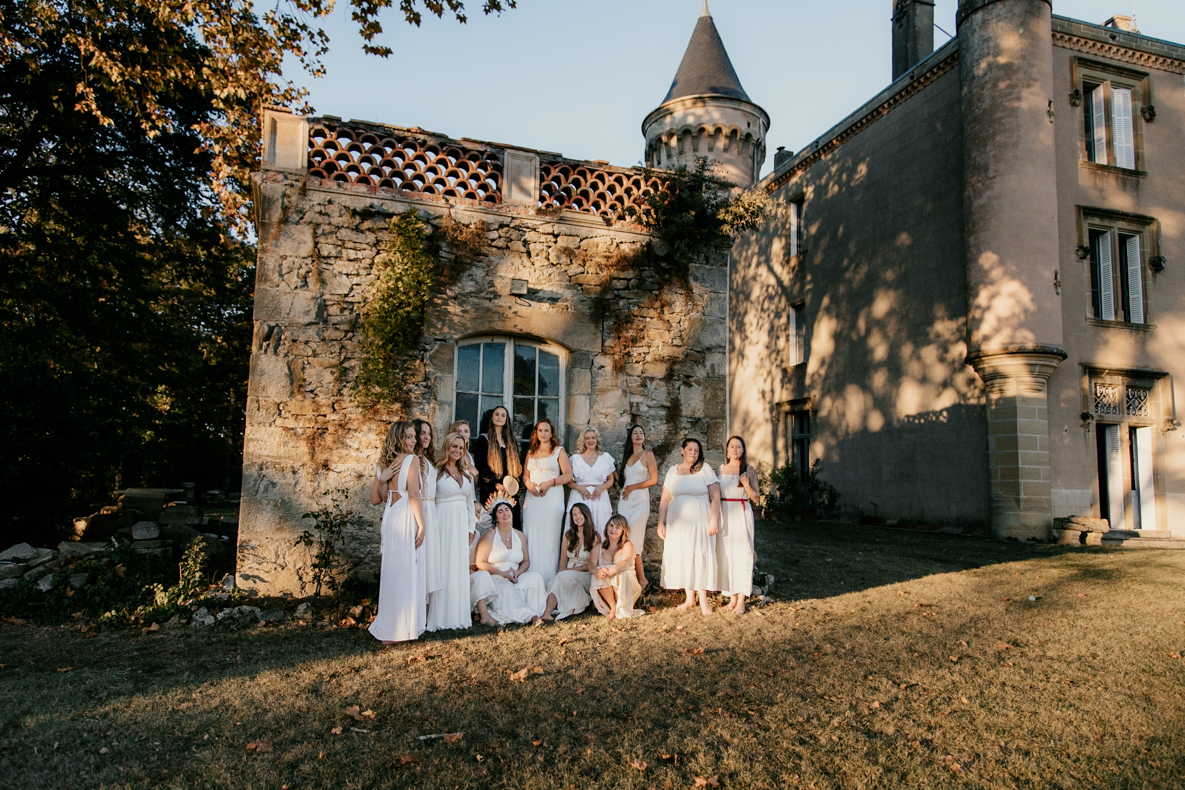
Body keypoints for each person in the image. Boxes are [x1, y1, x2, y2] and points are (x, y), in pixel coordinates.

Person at [368, 421, 427, 643]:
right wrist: (422, 524)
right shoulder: (411, 460)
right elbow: (414, 494)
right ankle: (399, 630)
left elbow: (376, 499)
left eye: (414, 437)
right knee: (405, 569)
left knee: (393, 570)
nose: (414, 441)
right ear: (399, 439)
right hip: (405, 515)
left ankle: (392, 628)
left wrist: (381, 477)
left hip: (391, 514)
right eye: (410, 437)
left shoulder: (384, 463)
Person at [656, 437, 722, 616]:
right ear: (682, 450)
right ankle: (689, 599)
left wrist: (713, 519)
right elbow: (665, 499)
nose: (693, 453)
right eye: (690, 449)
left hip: (700, 521)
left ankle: (704, 602)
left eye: (697, 450)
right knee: (683, 555)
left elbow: (715, 496)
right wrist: (660, 522)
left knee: (699, 554)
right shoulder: (672, 471)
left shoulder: (705, 469)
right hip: (678, 523)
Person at [427, 432, 478, 631]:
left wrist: (470, 528)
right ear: (447, 447)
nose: (457, 451)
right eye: (454, 447)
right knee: (443, 566)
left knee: (458, 567)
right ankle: (440, 617)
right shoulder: (437, 471)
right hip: (442, 522)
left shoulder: (466, 474)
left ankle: (458, 615)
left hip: (460, 526)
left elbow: (470, 503)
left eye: (461, 448)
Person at [471, 499, 547, 625]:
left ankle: (535, 611)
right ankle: (531, 616)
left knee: (535, 577)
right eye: (500, 511)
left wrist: (519, 572)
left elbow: (526, 561)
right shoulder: (489, 535)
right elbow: (480, 562)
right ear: (495, 517)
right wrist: (502, 573)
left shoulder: (520, 535)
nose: (505, 513)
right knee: (504, 586)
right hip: (496, 576)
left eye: (507, 510)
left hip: (516, 575)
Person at [521, 419, 572, 588]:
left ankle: (548, 583)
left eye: (546, 430)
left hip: (552, 500)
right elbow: (525, 475)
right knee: (531, 537)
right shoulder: (530, 452)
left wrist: (550, 483)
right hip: (533, 501)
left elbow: (568, 475)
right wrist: (528, 484)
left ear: (552, 433)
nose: (543, 433)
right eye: (540, 430)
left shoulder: (558, 451)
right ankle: (530, 582)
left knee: (549, 540)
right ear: (536, 433)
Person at [717, 435, 758, 616]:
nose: (735, 450)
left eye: (738, 447)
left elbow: (756, 498)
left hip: (740, 512)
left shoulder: (748, 470)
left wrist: (746, 485)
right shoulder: (719, 469)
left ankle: (741, 599)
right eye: (732, 446)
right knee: (726, 554)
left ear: (743, 450)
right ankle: (731, 597)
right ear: (727, 450)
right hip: (723, 512)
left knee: (742, 553)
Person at [617, 424, 659, 590]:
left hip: (639, 502)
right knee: (624, 539)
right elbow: (624, 480)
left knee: (634, 541)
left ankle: (641, 579)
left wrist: (633, 487)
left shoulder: (648, 455)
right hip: (625, 503)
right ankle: (629, 579)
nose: (638, 435)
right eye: (635, 433)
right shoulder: (627, 457)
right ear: (631, 437)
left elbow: (654, 480)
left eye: (641, 432)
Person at [540, 503, 597, 622]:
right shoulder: (568, 535)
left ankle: (548, 611)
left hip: (584, 574)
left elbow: (590, 565)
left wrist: (566, 571)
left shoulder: (594, 537)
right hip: (567, 573)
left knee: (562, 577)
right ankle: (546, 613)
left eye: (580, 513)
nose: (577, 517)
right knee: (554, 581)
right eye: (574, 514)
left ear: (586, 515)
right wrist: (561, 572)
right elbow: (563, 559)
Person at [566, 426, 617, 536]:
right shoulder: (575, 458)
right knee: (579, 530)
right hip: (579, 497)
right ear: (583, 441)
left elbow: (610, 480)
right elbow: (568, 481)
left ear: (597, 439)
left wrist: (601, 487)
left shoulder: (605, 457)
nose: (590, 441)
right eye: (587, 438)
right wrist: (578, 488)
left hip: (599, 498)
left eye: (593, 438)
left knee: (599, 528)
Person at [591, 514, 644, 619]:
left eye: (617, 527)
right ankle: (613, 608)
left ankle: (622, 606)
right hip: (609, 586)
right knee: (599, 572)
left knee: (620, 573)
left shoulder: (627, 545)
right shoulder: (599, 547)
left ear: (623, 531)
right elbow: (591, 563)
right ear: (606, 527)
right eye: (611, 525)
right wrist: (595, 571)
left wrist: (612, 570)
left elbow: (628, 561)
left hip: (627, 583)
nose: (613, 529)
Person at [412, 418, 442, 598]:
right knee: (420, 555)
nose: (426, 437)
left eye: (429, 433)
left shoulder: (428, 459)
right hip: (420, 506)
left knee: (430, 556)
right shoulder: (413, 459)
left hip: (431, 508)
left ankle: (425, 604)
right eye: (422, 433)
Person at [471, 406, 523, 507]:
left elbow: (517, 466)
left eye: (503, 415)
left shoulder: (511, 442)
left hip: (509, 492)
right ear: (492, 418)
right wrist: (496, 484)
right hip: (491, 491)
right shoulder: (484, 439)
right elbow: (481, 466)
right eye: (497, 414)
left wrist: (510, 486)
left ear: (506, 419)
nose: (500, 417)